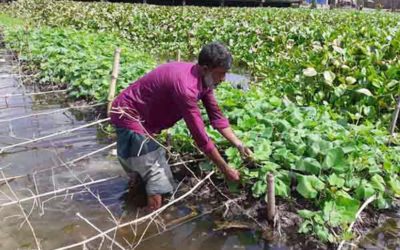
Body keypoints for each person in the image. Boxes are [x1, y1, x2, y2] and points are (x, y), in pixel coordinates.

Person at [110, 42, 252, 211]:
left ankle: (135, 201)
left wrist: (239, 144)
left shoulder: (204, 80)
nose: (223, 79)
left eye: (225, 74)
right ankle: (148, 223)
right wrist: (225, 169)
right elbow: (200, 137)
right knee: (157, 176)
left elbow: (217, 117)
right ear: (205, 68)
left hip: (146, 119)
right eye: (220, 74)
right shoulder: (186, 88)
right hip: (129, 115)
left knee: (144, 170)